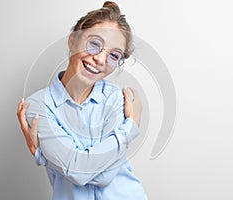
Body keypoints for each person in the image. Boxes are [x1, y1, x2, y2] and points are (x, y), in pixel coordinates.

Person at [17, 1, 147, 199]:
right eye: (94, 44)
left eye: (114, 55)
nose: (101, 60)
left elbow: (104, 177)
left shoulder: (118, 99)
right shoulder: (38, 105)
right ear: (72, 40)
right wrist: (130, 127)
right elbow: (79, 172)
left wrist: (46, 157)